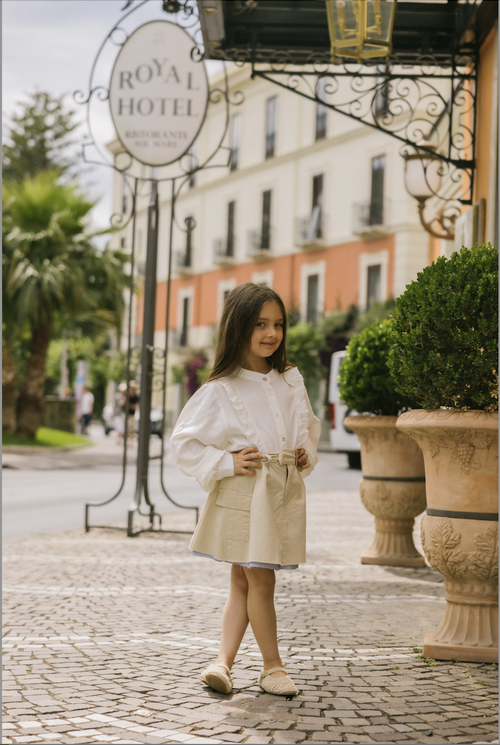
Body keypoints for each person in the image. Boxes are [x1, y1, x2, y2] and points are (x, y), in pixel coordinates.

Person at [171, 283, 321, 697]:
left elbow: (309, 426)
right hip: (244, 492)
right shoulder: (221, 389)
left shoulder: (291, 379)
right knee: (262, 580)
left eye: (278, 324)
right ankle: (272, 668)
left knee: (243, 579)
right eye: (260, 324)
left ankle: (222, 663)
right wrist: (225, 462)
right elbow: (184, 442)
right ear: (238, 327)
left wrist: (305, 451)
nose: (271, 333)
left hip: (280, 490)